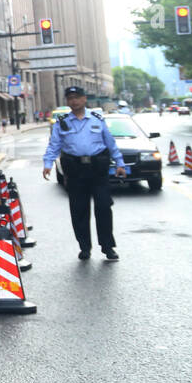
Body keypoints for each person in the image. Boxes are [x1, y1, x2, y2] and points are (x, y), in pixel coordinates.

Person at [42, 85, 127, 262]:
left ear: (84, 99)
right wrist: (48, 163)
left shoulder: (97, 119)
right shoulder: (62, 122)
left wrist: (120, 163)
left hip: (98, 169)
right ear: (67, 101)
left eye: (77, 97)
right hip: (75, 171)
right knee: (79, 210)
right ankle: (84, 247)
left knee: (103, 207)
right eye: (70, 98)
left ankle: (107, 246)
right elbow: (54, 145)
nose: (74, 101)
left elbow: (110, 143)